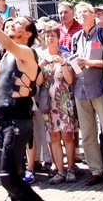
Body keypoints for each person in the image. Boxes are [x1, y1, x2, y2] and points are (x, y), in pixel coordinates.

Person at [0, 0, 43, 201]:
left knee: (7, 177)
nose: (13, 24)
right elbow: (1, 84)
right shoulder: (6, 55)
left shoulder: (27, 52)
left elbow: (5, 41)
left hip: (18, 122)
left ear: (28, 34)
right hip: (4, 121)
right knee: (11, 177)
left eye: (19, 24)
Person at [71, 3, 103, 188]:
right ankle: (96, 170)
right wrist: (75, 65)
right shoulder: (76, 37)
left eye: (86, 12)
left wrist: (90, 62)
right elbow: (75, 62)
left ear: (93, 15)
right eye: (79, 12)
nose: (82, 15)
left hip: (99, 88)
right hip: (81, 90)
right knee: (88, 134)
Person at [37, 24, 77, 184]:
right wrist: (39, 68)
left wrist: (61, 63)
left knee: (67, 135)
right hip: (48, 102)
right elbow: (38, 82)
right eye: (47, 36)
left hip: (64, 100)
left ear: (58, 38)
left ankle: (71, 168)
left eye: (53, 35)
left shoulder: (67, 55)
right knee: (54, 136)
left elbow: (70, 79)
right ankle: (60, 170)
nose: (50, 38)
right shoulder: (40, 56)